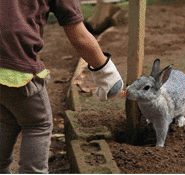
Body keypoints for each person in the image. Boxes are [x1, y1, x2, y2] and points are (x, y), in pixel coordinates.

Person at [0, 0, 123, 173]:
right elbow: (79, 36)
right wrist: (106, 71)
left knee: (6, 116)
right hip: (17, 67)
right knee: (37, 123)